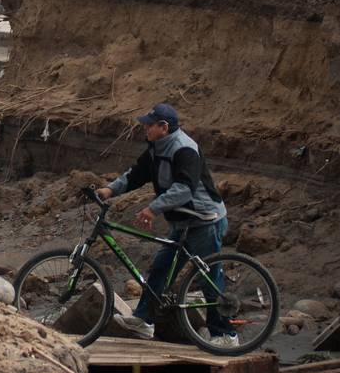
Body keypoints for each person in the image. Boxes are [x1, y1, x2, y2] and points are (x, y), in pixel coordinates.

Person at [97, 102, 236, 346]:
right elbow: (136, 174)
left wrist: (153, 208)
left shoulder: (184, 149)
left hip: (205, 219)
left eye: (149, 125)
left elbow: (184, 188)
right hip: (183, 221)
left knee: (209, 277)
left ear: (164, 127)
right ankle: (143, 320)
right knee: (161, 266)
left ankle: (225, 335)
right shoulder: (156, 148)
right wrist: (110, 190)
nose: (145, 129)